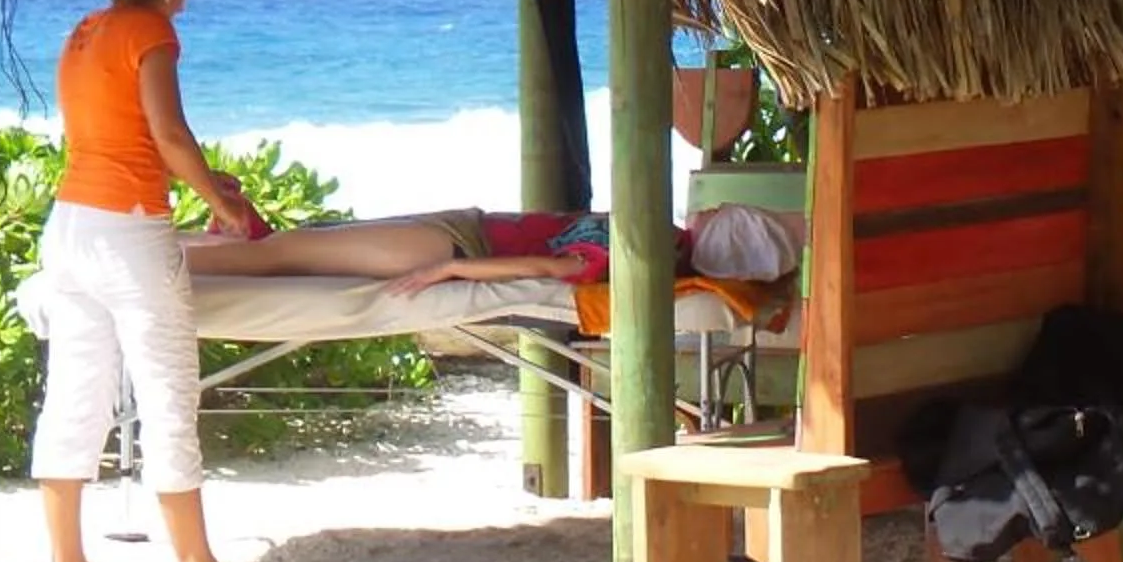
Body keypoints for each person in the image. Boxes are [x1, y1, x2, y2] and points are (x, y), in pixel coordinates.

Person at [27, 0, 272, 562]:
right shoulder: (149, 29)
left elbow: (121, 137)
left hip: (71, 225)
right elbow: (167, 133)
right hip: (127, 232)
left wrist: (206, 181)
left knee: (76, 394)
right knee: (168, 391)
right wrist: (221, 205)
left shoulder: (86, 30)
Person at [183, 202, 805, 299]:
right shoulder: (649, 231)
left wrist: (449, 268)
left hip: (454, 241)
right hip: (458, 224)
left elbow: (545, 266)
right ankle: (184, 248)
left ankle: (165, 262)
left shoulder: (630, 257)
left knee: (281, 257)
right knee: (290, 247)